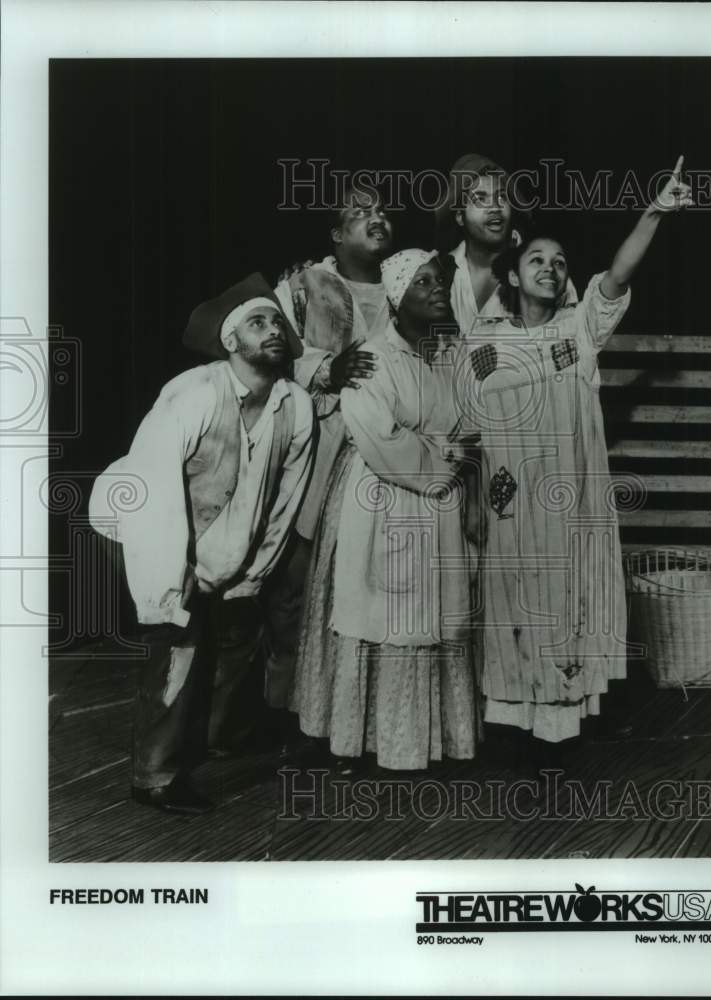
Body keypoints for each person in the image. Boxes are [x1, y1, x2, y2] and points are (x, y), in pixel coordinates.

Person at [456, 157, 693, 769]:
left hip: (569, 503)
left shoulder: (579, 331)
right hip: (508, 502)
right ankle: (512, 730)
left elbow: (616, 275)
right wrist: (475, 497)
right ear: (513, 273)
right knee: (512, 606)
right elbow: (471, 428)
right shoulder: (484, 342)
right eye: (536, 258)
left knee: (565, 604)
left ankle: (558, 736)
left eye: (559, 262)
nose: (550, 267)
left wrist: (654, 213)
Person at [89, 273, 316, 814]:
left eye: (277, 321)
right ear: (230, 340)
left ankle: (216, 735)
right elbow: (152, 490)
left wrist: (253, 575)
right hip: (135, 521)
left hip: (216, 540)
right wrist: (171, 579)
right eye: (257, 322)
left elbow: (283, 504)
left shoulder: (296, 406)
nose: (273, 329)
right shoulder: (194, 393)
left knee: (236, 630)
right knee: (180, 640)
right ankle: (154, 776)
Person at [291, 249, 479, 772]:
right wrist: (446, 461)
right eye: (422, 282)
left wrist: (454, 453)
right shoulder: (372, 357)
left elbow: (466, 426)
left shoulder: (444, 357)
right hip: (382, 498)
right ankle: (364, 741)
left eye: (438, 280)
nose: (436, 289)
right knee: (377, 611)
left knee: (430, 612)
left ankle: (418, 741)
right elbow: (381, 438)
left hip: (433, 502)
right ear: (396, 299)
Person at [260, 183, 392, 711]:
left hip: (387, 456)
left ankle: (355, 708)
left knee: (372, 577)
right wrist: (325, 369)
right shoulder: (305, 284)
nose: (377, 217)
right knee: (296, 579)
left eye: (382, 210)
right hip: (321, 447)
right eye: (361, 213)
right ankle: (285, 704)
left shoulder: (411, 281)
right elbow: (265, 350)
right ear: (337, 234)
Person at [436, 152, 576, 337]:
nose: (495, 207)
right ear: (460, 216)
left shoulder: (545, 272)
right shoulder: (439, 272)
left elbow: (571, 342)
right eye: (480, 199)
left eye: (502, 197)